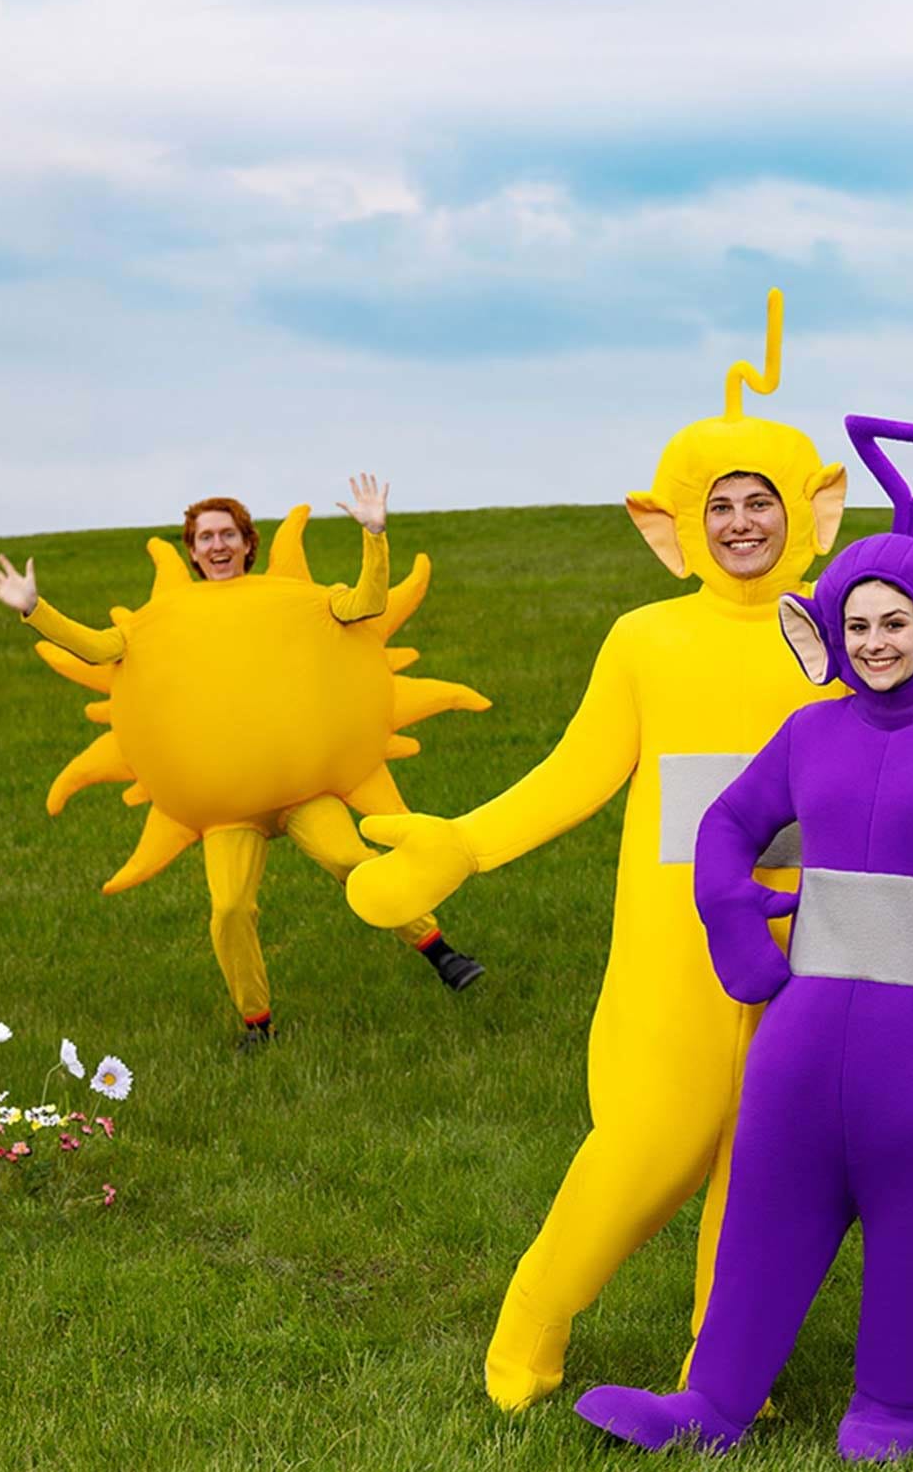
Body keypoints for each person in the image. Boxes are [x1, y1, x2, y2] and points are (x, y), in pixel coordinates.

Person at [347, 292, 847, 1410]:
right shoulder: (645, 638)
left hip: (814, 937)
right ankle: (537, 1310)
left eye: (761, 501)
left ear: (811, 511)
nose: (742, 523)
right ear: (674, 527)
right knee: (651, 1142)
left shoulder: (844, 629)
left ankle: (723, 1363)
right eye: (719, 505)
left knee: (771, 1158)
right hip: (677, 943)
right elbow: (576, 772)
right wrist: (463, 844)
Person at [575, 416, 913, 1462]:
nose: (874, 642)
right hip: (803, 1043)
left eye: (896, 622)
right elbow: (728, 823)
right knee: (764, 1215)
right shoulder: (809, 731)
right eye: (856, 622)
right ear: (824, 630)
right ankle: (712, 1402)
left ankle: (888, 1407)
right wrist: (730, 909)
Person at [0, 478, 485, 1047]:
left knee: (351, 859)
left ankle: (440, 952)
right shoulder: (161, 617)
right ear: (192, 552)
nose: (217, 546)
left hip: (302, 790)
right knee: (229, 908)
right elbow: (96, 648)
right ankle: (257, 1023)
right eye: (205, 538)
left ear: (247, 543)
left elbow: (366, 604)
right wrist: (34, 609)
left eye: (227, 535)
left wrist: (374, 535)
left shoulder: (292, 598)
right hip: (227, 811)